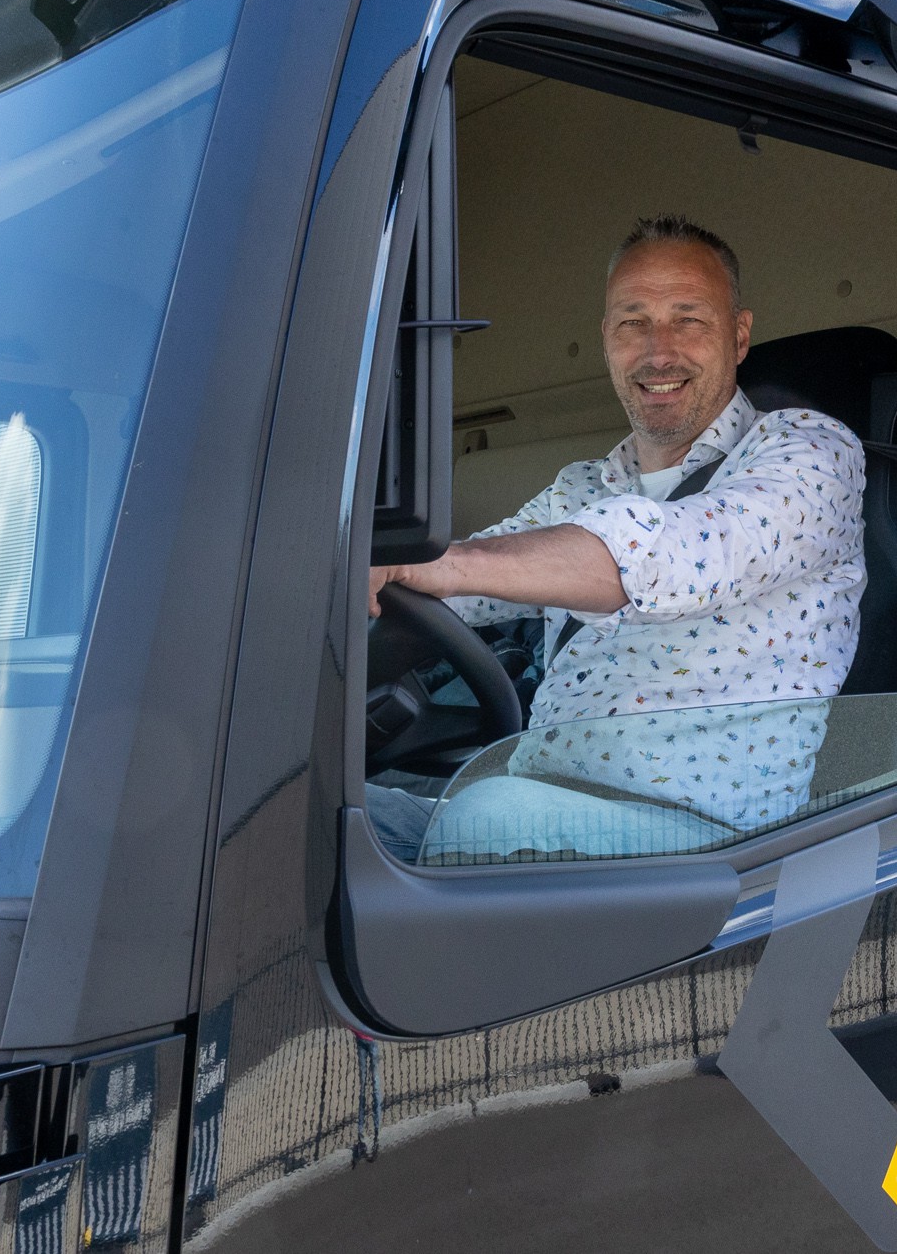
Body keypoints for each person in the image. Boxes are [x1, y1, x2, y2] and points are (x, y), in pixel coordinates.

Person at [367, 214, 867, 860]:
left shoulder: (810, 451)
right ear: (606, 339)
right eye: (633, 322)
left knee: (483, 820)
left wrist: (451, 564)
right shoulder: (584, 485)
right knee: (324, 819)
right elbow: (460, 586)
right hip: (546, 806)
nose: (659, 351)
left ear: (739, 336)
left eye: (689, 318)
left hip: (711, 844)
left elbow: (673, 551)